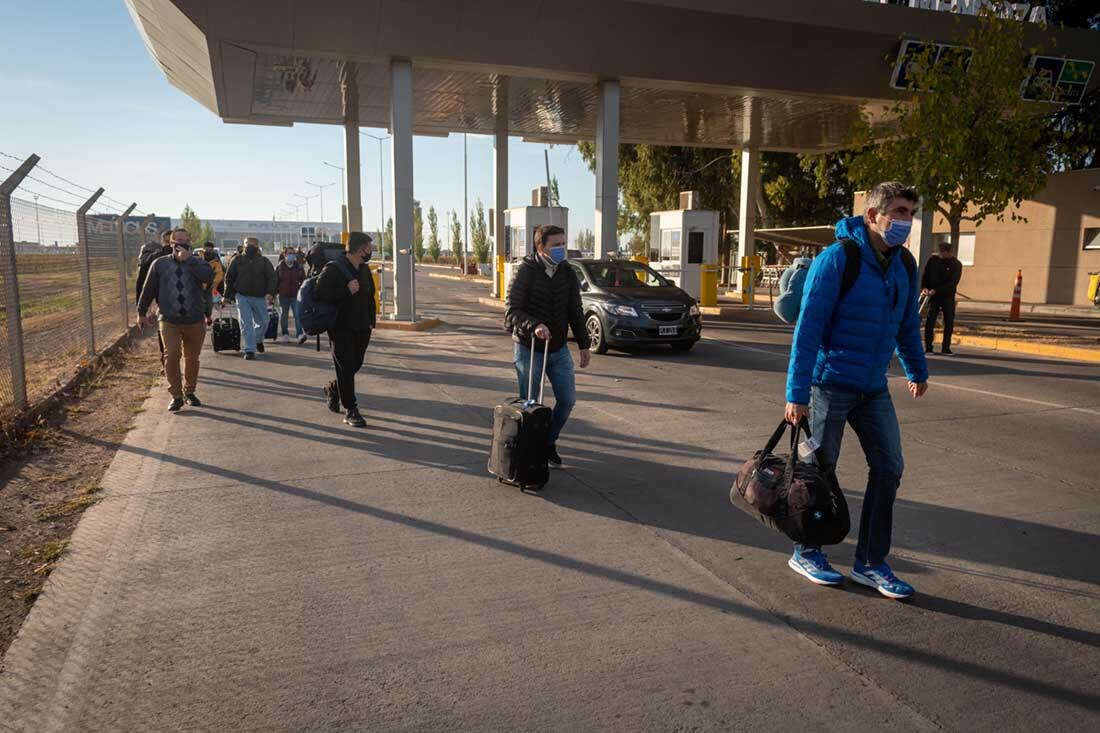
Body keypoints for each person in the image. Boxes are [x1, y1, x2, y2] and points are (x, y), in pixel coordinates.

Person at [784, 181, 929, 599]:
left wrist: (916, 369)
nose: (905, 221)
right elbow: (807, 329)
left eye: (910, 213)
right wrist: (796, 392)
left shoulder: (904, 264)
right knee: (817, 476)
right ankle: (807, 549)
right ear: (872, 216)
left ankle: (870, 562)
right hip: (827, 384)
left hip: (872, 388)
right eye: (898, 212)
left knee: (890, 468)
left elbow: (906, 325)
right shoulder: (837, 259)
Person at [504, 224, 592, 469]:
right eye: (556, 245)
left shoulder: (567, 272)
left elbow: (575, 310)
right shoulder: (526, 271)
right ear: (540, 247)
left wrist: (584, 344)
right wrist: (535, 325)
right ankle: (527, 450)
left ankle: (547, 442)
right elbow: (511, 310)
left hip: (559, 349)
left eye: (563, 243)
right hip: (528, 348)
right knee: (529, 404)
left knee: (567, 400)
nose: (561, 249)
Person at [137, 228, 214, 411]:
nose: (180, 243)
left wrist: (189, 259)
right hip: (169, 319)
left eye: (183, 240)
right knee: (171, 356)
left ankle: (189, 391)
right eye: (176, 241)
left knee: (192, 358)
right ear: (170, 243)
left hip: (194, 319)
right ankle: (176, 395)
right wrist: (141, 312)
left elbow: (208, 277)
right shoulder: (159, 264)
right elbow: (148, 290)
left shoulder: (198, 262)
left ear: (190, 242)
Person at [314, 231, 377, 427]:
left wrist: (370, 321)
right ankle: (351, 409)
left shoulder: (364, 270)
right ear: (360, 249)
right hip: (340, 327)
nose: (371, 251)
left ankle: (333, 388)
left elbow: (369, 295)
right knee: (346, 366)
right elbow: (319, 293)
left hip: (362, 326)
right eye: (369, 247)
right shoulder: (333, 269)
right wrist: (345, 290)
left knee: (354, 365)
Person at [223, 236, 277, 360]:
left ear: (257, 247)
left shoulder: (264, 261)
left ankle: (258, 340)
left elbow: (272, 278)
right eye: (247, 244)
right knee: (246, 323)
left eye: (253, 245)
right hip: (242, 296)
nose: (250, 247)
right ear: (243, 245)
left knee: (264, 322)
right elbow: (229, 277)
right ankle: (249, 349)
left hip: (259, 297)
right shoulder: (237, 260)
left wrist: (270, 293)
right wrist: (226, 295)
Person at [922, 241, 963, 355]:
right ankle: (929, 346)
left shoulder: (956, 264)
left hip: (947, 296)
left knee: (949, 321)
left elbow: (952, 283)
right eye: (940, 252)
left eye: (944, 252)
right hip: (932, 296)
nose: (941, 254)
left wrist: (937, 290)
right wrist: (924, 287)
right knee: (930, 321)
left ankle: (946, 347)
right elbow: (926, 275)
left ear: (949, 252)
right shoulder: (933, 261)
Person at [276, 247, 308, 343]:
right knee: (284, 315)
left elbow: (304, 281)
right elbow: (275, 281)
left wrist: (303, 293)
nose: (292, 255)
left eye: (293, 254)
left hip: (295, 295)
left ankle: (299, 334)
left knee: (297, 315)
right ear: (285, 254)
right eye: (290, 253)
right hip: (283, 295)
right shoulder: (279, 267)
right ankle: (285, 334)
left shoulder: (299, 267)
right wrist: (273, 294)